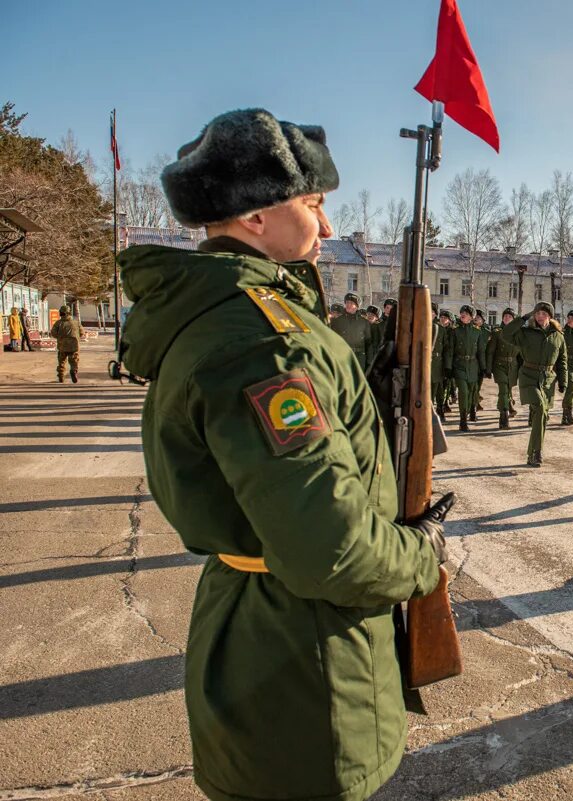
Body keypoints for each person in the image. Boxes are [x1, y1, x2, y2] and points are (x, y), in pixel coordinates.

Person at [115, 108, 453, 801]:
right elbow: (330, 549)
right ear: (256, 217)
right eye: (314, 204)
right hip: (304, 673)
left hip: (266, 645)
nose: (327, 226)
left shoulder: (238, 313)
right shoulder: (263, 340)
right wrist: (424, 554)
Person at [500, 301, 566, 467]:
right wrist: (522, 318)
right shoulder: (525, 332)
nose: (540, 317)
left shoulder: (558, 336)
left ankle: (533, 452)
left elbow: (562, 360)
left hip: (548, 380)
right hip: (529, 376)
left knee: (542, 415)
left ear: (550, 316)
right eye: (537, 314)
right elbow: (506, 334)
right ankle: (536, 452)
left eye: (543, 314)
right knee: (539, 407)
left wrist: (563, 380)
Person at [447, 304, 487, 430]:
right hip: (459, 365)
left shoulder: (477, 331)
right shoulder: (455, 330)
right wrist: (448, 367)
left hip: (473, 366)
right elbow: (450, 350)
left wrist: (483, 368)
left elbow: (481, 351)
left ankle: (469, 410)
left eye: (466, 313)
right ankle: (463, 420)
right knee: (463, 392)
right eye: (462, 312)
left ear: (471, 317)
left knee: (471, 393)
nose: (463, 314)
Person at [486, 307, 520, 429]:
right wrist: (488, 369)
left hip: (513, 366)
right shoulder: (497, 332)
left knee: (508, 389)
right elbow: (490, 352)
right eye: (505, 316)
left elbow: (521, 354)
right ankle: (503, 416)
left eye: (510, 317)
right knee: (503, 389)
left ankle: (509, 405)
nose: (507, 318)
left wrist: (521, 369)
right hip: (499, 365)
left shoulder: (518, 334)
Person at [330, 292, 373, 370]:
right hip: (342, 357)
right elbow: (332, 341)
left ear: (357, 306)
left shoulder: (364, 322)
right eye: (347, 302)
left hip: (359, 358)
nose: (348, 304)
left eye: (351, 303)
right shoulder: (337, 321)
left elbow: (368, 343)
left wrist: (369, 362)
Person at [49, 305, 83, 382]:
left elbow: (53, 333)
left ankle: (61, 375)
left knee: (61, 361)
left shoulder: (58, 323)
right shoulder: (76, 322)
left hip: (62, 345)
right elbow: (82, 332)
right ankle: (73, 371)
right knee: (74, 361)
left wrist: (60, 337)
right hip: (74, 345)